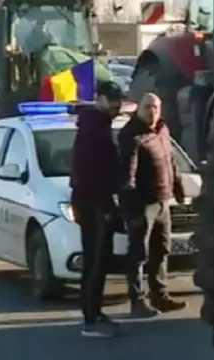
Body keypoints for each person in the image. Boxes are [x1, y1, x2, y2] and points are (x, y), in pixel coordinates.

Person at [118, 92, 187, 318]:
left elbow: (171, 162)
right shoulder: (131, 135)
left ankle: (160, 295)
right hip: (142, 204)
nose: (152, 111)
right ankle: (137, 301)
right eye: (147, 107)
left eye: (156, 107)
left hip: (162, 202)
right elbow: (127, 176)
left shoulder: (162, 131)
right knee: (139, 253)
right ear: (139, 109)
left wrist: (178, 189)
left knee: (162, 249)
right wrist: (131, 210)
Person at [70, 81, 124, 338]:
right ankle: (91, 319)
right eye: (111, 100)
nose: (116, 105)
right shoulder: (94, 130)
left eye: (118, 100)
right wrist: (104, 206)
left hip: (92, 202)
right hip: (94, 205)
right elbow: (93, 173)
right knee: (95, 261)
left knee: (98, 261)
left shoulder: (97, 126)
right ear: (99, 99)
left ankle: (94, 312)